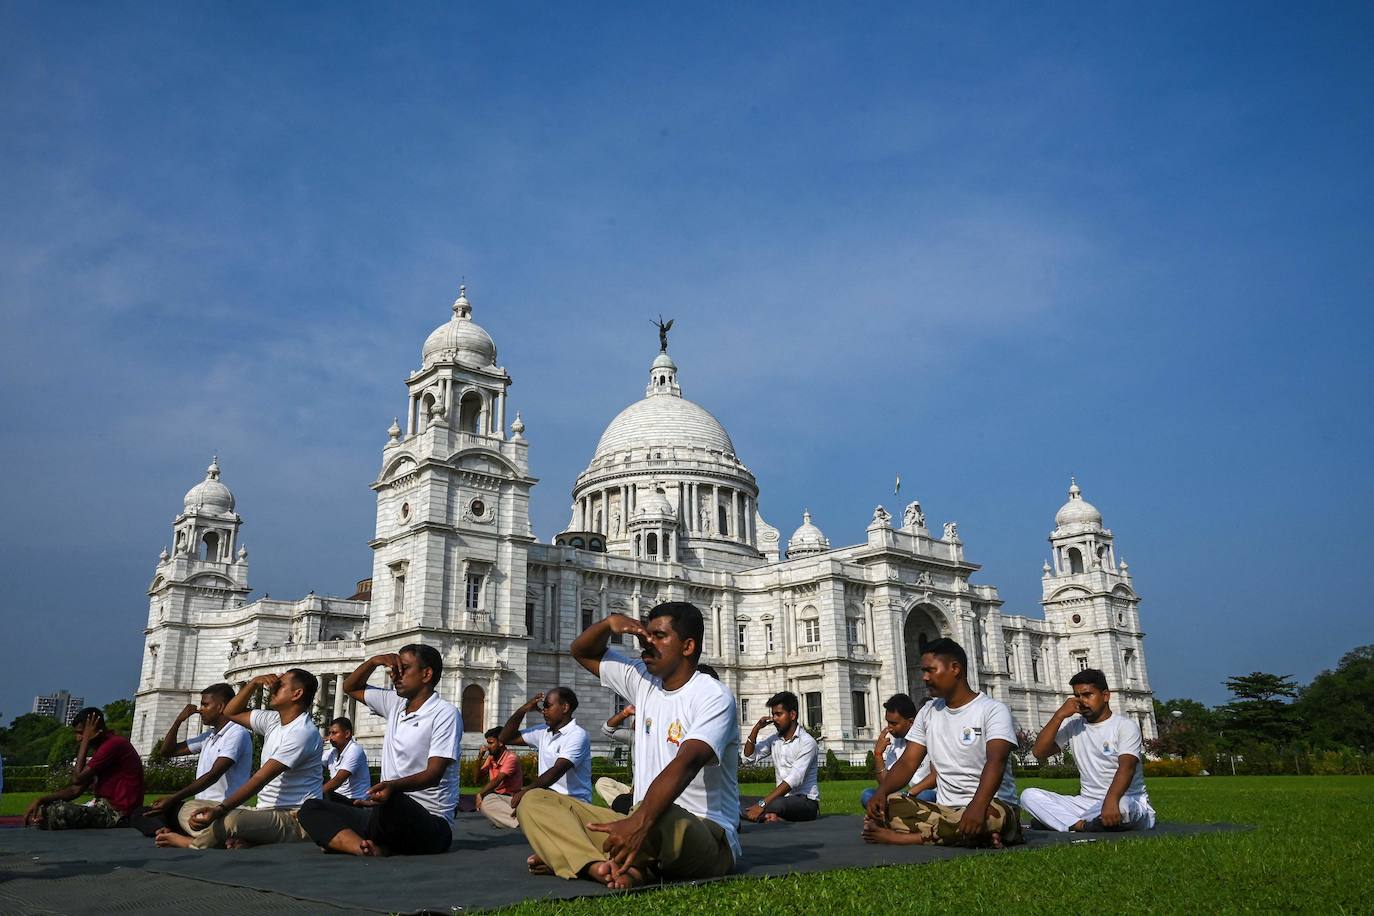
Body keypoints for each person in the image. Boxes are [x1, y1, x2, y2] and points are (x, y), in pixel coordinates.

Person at [518, 601, 740, 889]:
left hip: (701, 832)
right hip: (639, 820)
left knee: (660, 813)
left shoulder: (713, 696)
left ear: (687, 647)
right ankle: (597, 865)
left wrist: (639, 821)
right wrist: (609, 624)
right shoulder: (642, 681)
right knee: (534, 800)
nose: (646, 643)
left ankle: (581, 856)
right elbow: (581, 651)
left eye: (659, 636)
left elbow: (687, 763)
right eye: (645, 635)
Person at [297, 645, 460, 856]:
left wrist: (391, 787)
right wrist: (375, 661)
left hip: (429, 822)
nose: (395, 675)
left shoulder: (445, 713)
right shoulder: (395, 703)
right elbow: (350, 687)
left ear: (426, 674)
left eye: (404, 669)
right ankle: (362, 847)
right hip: (383, 811)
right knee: (313, 806)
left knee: (393, 803)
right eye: (394, 669)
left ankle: (349, 841)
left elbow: (433, 775)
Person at [863, 638, 1022, 848]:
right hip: (944, 809)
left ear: (955, 668)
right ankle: (971, 836)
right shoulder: (928, 712)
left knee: (992, 817)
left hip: (991, 804)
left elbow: (996, 762)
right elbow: (908, 762)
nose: (925, 677)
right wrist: (881, 793)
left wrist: (977, 805)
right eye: (923, 671)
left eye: (931, 670)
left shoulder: (992, 710)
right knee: (889, 804)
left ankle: (906, 838)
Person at [155, 669, 323, 849]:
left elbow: (260, 778)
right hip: (264, 812)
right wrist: (253, 684)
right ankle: (239, 837)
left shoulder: (302, 733)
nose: (273, 688)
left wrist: (219, 810)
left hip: (294, 817)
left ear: (297, 694)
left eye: (280, 685)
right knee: (189, 809)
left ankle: (192, 843)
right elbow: (230, 712)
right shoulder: (273, 720)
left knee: (229, 820)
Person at [1020, 668, 1156, 832]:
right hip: (1088, 803)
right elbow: (1039, 752)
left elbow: (1126, 768)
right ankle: (1082, 825)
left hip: (1126, 799)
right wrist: (1059, 716)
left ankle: (1061, 822)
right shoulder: (1074, 727)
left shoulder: (1124, 726)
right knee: (1028, 795)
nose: (1081, 701)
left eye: (1087, 695)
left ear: (1105, 696)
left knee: (1122, 808)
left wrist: (1111, 800)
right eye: (1077, 696)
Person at [131, 684, 252, 837]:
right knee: (142, 813)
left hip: (219, 806)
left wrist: (173, 798)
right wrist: (178, 721)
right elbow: (167, 751)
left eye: (205, 704)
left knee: (170, 811)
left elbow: (214, 774)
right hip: (199, 806)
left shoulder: (237, 733)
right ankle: (162, 831)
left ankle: (204, 833)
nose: (200, 709)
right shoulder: (209, 736)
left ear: (221, 707)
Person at [490, 687, 592, 830]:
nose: (543, 711)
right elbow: (504, 738)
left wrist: (527, 790)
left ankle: (530, 819)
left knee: (529, 798)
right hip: (545, 799)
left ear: (565, 707)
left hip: (572, 803)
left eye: (547, 706)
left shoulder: (577, 735)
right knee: (489, 800)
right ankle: (530, 819)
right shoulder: (542, 732)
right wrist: (523, 709)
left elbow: (557, 770)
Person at [25, 708, 144, 830]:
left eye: (81, 733)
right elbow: (75, 790)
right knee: (49, 808)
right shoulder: (104, 748)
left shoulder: (113, 744)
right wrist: (42, 800)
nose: (78, 738)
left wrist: (85, 740)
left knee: (59, 811)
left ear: (95, 729)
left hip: (120, 813)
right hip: (106, 808)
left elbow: (77, 778)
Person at [742, 691, 820, 823]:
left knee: (774, 805)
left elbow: (793, 780)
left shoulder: (807, 742)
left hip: (805, 802)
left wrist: (762, 804)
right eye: (773, 715)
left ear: (792, 715)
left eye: (779, 714)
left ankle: (764, 813)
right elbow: (748, 758)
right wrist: (756, 729)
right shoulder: (775, 740)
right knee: (735, 800)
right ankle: (769, 816)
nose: (774, 719)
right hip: (781, 800)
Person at [859, 693, 938, 811]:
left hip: (926, 792)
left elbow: (935, 777)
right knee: (868, 795)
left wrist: (910, 793)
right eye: (888, 722)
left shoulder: (929, 737)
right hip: (906, 794)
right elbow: (885, 783)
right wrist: (878, 755)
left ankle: (894, 817)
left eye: (894, 723)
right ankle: (900, 816)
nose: (889, 728)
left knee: (924, 796)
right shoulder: (896, 743)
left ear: (911, 722)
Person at [476, 727, 524, 828]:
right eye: (488, 743)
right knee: (487, 801)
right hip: (499, 797)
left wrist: (480, 793)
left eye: (491, 743)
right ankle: (513, 819)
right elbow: (476, 779)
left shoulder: (511, 758)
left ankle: (518, 820)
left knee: (487, 801)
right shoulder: (491, 758)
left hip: (513, 798)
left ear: (501, 743)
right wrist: (479, 757)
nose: (488, 747)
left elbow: (497, 780)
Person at [596, 704, 636, 815]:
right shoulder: (634, 737)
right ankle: (625, 807)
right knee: (602, 783)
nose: (633, 723)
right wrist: (625, 713)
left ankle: (623, 808)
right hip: (633, 792)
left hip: (652, 792)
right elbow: (607, 729)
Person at [322, 716, 372, 801]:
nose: (330, 737)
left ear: (347, 734)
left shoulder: (355, 750)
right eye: (329, 733)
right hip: (338, 798)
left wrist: (313, 794)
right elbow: (315, 767)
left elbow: (338, 781)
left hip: (355, 801)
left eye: (334, 733)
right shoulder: (332, 751)